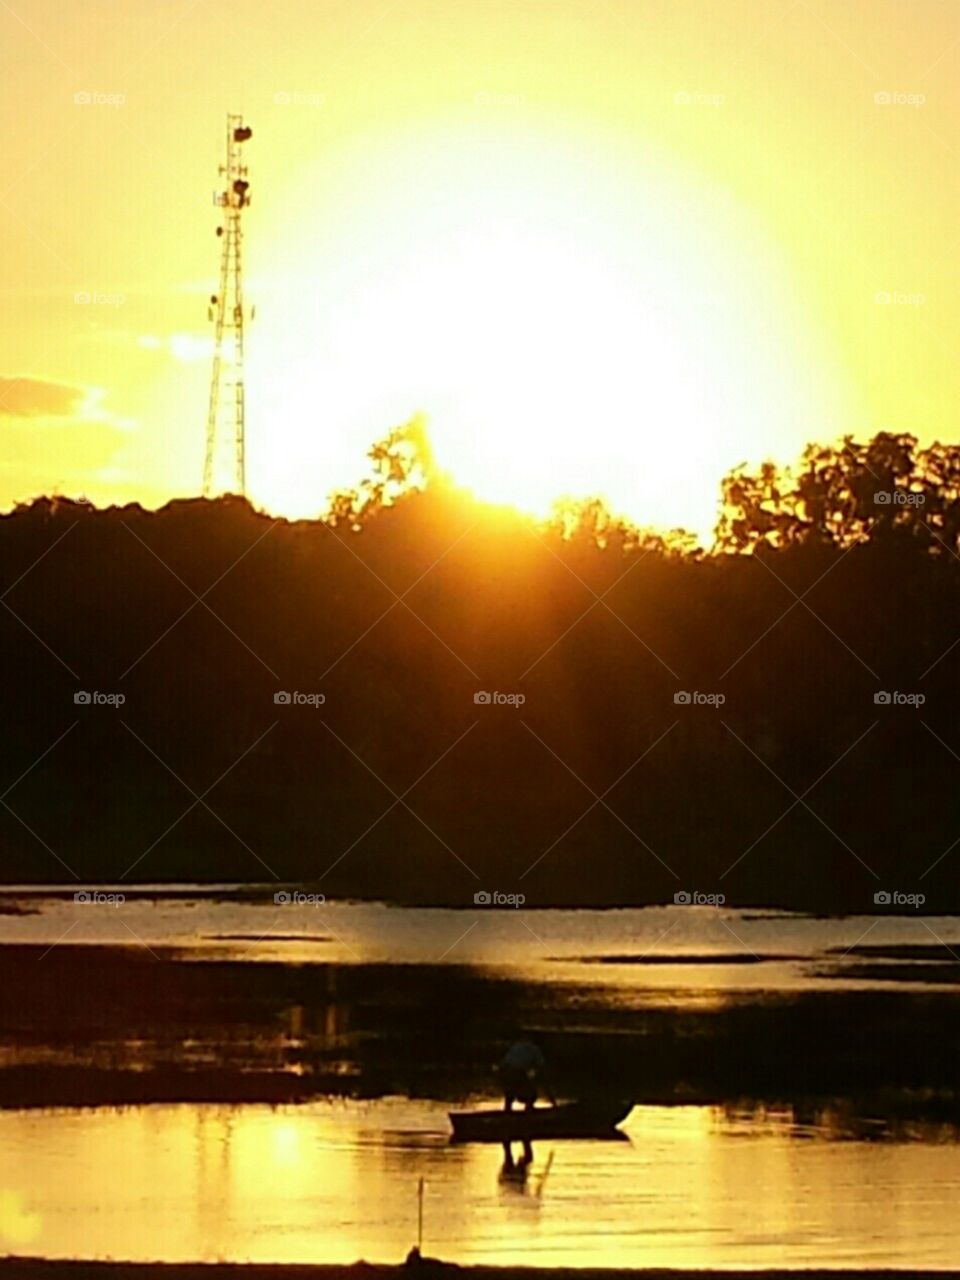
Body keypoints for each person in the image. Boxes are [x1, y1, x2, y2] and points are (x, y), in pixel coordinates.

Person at [499, 1037, 554, 1111]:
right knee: (531, 1093)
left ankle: (508, 1108)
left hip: (508, 1071)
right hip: (516, 1071)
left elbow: (505, 1062)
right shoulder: (535, 1049)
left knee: (510, 1091)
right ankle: (527, 1107)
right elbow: (541, 1068)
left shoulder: (517, 1046)